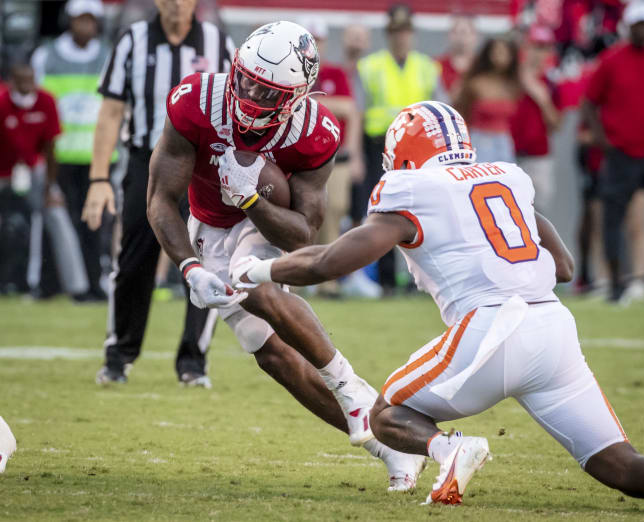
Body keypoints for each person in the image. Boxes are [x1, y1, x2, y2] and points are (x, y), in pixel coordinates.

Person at [232, 101, 644, 505]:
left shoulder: (413, 187)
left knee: (384, 414)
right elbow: (564, 267)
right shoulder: (507, 177)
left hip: (489, 333)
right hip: (554, 331)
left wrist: (261, 271)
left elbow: (332, 261)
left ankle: (451, 448)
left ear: (405, 154)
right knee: (625, 468)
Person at [147, 20, 425, 491]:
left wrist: (253, 201)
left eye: (269, 91)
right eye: (247, 79)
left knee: (249, 278)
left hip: (265, 219)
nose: (252, 94)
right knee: (272, 356)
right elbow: (159, 199)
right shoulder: (195, 100)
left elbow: (302, 235)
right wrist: (189, 268)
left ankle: (346, 383)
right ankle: (389, 446)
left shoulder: (314, 132)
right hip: (209, 222)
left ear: (298, 97)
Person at [81, 0, 235, 387]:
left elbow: (237, 106)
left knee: (206, 261)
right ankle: (119, 356)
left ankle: (193, 362)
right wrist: (99, 179)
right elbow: (111, 112)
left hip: (203, 168)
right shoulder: (133, 40)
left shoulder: (218, 42)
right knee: (134, 258)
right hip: (146, 162)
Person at [31, 0, 113, 301]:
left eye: (91, 20)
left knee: (93, 223)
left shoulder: (109, 56)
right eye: (81, 19)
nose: (86, 26)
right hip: (59, 156)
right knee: (54, 222)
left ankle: (91, 285)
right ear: (70, 20)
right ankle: (48, 284)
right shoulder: (47, 56)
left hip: (97, 156)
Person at [582, 0, 644, 303]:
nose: (643, 30)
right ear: (628, 26)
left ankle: (637, 281)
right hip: (621, 155)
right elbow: (589, 102)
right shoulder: (612, 60)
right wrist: (603, 139)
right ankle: (614, 285)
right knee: (611, 221)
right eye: (637, 24)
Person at [357, 3, 438, 292]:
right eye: (396, 32)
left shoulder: (427, 67)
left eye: (405, 31)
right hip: (380, 147)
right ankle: (387, 280)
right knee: (384, 213)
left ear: (412, 34)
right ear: (388, 34)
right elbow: (359, 111)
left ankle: (420, 282)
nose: (401, 37)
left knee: (421, 215)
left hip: (419, 149)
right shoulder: (370, 67)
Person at [0, 63, 89, 300]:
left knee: (58, 215)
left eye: (31, 79)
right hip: (3, 169)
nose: (27, 84)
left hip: (33, 168)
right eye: (21, 79)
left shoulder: (46, 101)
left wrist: (50, 188)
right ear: (12, 80)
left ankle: (77, 287)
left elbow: (50, 148)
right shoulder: (1, 101)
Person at [299, 16, 365, 297]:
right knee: (302, 214)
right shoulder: (292, 72)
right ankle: (301, 276)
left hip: (335, 155)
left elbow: (350, 110)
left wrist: (355, 155)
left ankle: (329, 280)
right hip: (300, 156)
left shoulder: (336, 73)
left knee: (335, 210)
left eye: (318, 40)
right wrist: (329, 105)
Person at [510, 25, 562, 214]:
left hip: (538, 158)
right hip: (509, 156)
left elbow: (556, 124)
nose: (539, 53)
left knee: (538, 217)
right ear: (526, 47)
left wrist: (542, 98)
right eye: (536, 46)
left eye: (544, 47)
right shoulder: (510, 78)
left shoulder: (551, 83)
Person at [454, 37, 520, 163]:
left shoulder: (512, 85)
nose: (500, 57)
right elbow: (461, 113)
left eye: (504, 52)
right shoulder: (475, 84)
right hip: (480, 140)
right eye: (496, 52)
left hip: (504, 142)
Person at [435, 16, 479, 100]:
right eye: (455, 32)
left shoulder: (482, 66)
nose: (460, 37)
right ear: (449, 35)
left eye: (464, 32)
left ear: (475, 36)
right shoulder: (436, 65)